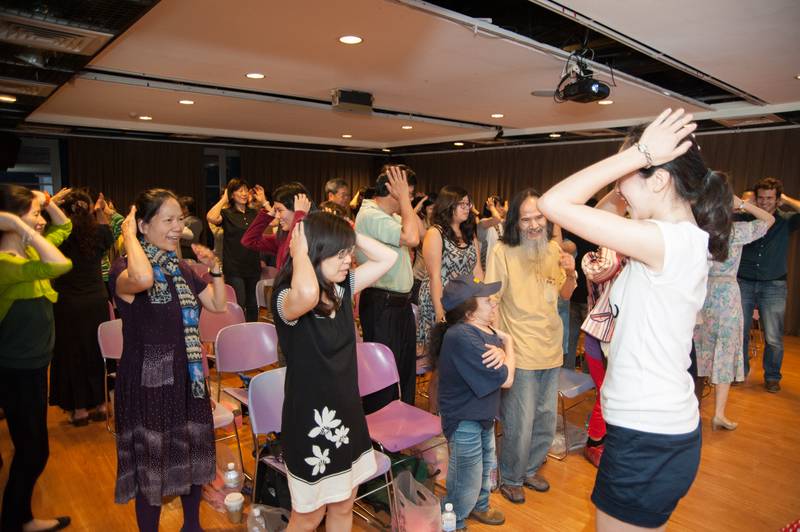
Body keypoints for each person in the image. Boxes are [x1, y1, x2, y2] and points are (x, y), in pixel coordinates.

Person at [538, 108, 732, 531]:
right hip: (654, 431)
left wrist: (640, 153)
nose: (620, 190)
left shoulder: (667, 240)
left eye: (628, 177)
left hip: (648, 436)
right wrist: (635, 166)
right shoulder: (672, 238)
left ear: (658, 180)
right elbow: (602, 212)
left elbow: (552, 203)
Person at [109, 189, 227, 532]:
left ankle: (192, 526)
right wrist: (128, 236)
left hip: (187, 376)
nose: (178, 227)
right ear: (143, 225)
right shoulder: (123, 270)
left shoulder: (180, 268)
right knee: (152, 464)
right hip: (149, 383)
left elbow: (218, 304)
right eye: (169, 220)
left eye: (180, 219)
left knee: (192, 453)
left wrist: (215, 268)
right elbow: (143, 278)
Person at [271, 211, 397, 531]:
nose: (348, 261)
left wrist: (351, 234)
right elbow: (308, 295)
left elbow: (388, 258)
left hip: (348, 416)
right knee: (309, 516)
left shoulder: (340, 288)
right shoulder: (286, 296)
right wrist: (299, 251)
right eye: (340, 254)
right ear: (314, 250)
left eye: (349, 252)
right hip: (310, 423)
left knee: (344, 505)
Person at [485, 188, 577, 504]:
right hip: (520, 350)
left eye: (539, 217)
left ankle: (530, 469)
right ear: (515, 221)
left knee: (546, 419)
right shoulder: (502, 251)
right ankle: (511, 476)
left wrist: (571, 272)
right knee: (519, 422)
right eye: (526, 219)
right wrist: (499, 346)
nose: (534, 224)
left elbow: (565, 294)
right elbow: (492, 301)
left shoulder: (553, 249)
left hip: (551, 348)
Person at [0, 184, 73, 532]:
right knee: (33, 451)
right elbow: (61, 264)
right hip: (17, 369)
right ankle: (17, 521)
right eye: (35, 214)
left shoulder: (29, 252)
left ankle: (18, 518)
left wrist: (45, 202)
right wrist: (21, 226)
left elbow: (65, 227)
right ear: (11, 220)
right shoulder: (5, 263)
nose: (42, 220)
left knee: (30, 448)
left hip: (33, 366)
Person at [430, 274, 515, 532]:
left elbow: (501, 366)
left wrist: (502, 352)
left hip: (483, 414)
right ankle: (452, 522)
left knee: (486, 467)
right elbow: (507, 379)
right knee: (466, 478)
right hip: (465, 419)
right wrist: (509, 345)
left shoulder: (482, 331)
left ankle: (480, 505)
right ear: (469, 312)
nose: (494, 303)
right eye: (487, 300)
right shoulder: (462, 337)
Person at [694, 194, 774, 428]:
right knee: (725, 350)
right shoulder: (736, 231)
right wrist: (742, 203)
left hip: (700, 293)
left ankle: (692, 410)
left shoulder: (697, 231)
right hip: (727, 295)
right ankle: (718, 414)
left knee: (697, 349)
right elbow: (769, 219)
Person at [354, 165, 423, 413]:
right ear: (391, 190)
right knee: (383, 377)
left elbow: (421, 233)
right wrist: (404, 199)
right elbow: (412, 238)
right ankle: (380, 429)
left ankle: (404, 423)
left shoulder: (391, 215)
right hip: (381, 303)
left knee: (405, 371)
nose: (409, 199)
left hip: (399, 305)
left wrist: (405, 204)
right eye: (407, 193)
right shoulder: (371, 215)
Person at [49, 189, 114, 426]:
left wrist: (51, 202)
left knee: (71, 353)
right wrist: (100, 211)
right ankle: (101, 404)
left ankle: (79, 410)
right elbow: (107, 230)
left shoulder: (59, 235)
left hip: (67, 303)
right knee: (97, 350)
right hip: (96, 301)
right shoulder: (99, 233)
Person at [737, 177, 800, 392]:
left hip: (774, 285)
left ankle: (772, 376)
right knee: (741, 332)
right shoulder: (744, 219)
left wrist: (787, 200)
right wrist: (746, 204)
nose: (764, 202)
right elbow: (721, 215)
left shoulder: (786, 220)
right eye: (761, 198)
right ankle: (740, 372)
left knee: (773, 337)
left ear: (777, 199)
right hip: (744, 282)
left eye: (769, 198)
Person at [416, 186, 483, 355]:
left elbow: (477, 271)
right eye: (461, 204)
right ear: (448, 205)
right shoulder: (435, 233)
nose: (466, 208)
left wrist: (482, 301)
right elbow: (434, 276)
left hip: (463, 299)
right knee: (441, 355)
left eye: (468, 204)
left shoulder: (469, 233)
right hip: (440, 298)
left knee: (463, 352)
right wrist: (440, 313)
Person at [207, 179, 261, 321]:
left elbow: (273, 221)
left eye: (246, 190)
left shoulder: (254, 212)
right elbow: (211, 217)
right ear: (232, 194)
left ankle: (252, 331)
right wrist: (224, 198)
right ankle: (238, 331)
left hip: (253, 264)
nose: (244, 193)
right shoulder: (226, 213)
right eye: (240, 190)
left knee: (253, 304)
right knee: (239, 303)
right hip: (234, 266)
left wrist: (263, 201)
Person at [241, 183, 311, 271]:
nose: (277, 216)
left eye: (280, 210)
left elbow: (290, 256)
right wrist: (270, 214)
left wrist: (299, 215)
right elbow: (249, 240)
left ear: (296, 209)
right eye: (275, 211)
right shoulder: (281, 238)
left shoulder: (312, 238)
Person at [179, 196, 204, 261]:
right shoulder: (199, 221)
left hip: (184, 251)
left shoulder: (186, 221)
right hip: (194, 250)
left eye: (181, 207)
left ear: (186, 208)